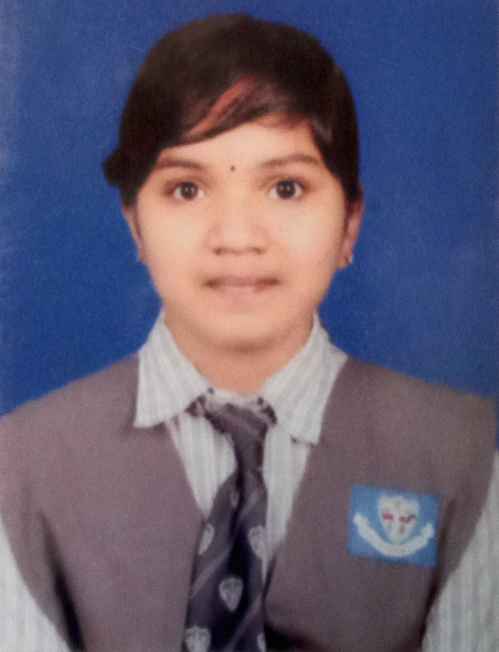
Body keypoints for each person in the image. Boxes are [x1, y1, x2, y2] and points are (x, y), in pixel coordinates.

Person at [0, 13, 497, 652]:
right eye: (187, 189)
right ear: (134, 225)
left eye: (286, 188)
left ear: (349, 223)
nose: (237, 237)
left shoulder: (465, 457)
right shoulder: (22, 465)